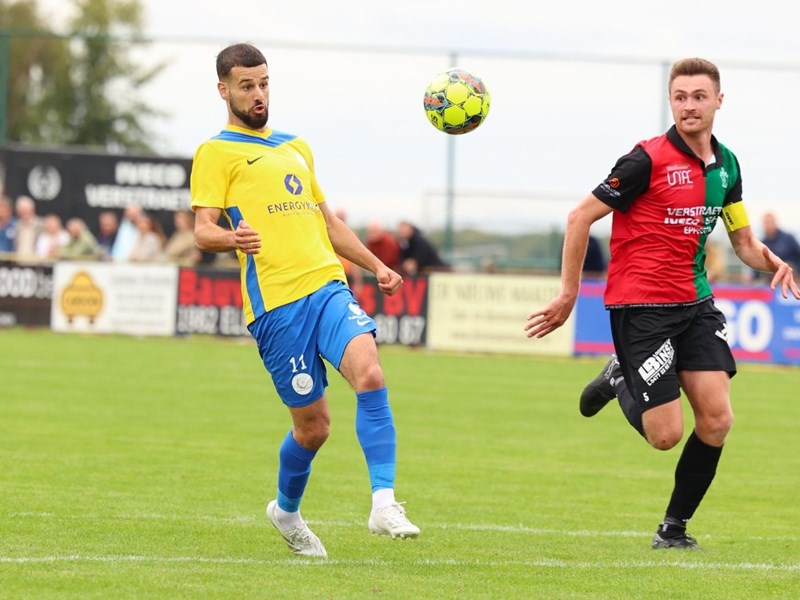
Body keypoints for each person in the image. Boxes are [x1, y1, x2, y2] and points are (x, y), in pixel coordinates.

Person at [524, 58, 800, 550]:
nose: (689, 106)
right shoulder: (645, 160)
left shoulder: (727, 165)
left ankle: (673, 529)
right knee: (665, 436)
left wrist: (773, 261)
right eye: (680, 97)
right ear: (670, 102)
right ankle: (620, 376)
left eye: (699, 96)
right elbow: (579, 217)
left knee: (717, 420)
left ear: (718, 101)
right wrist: (568, 294)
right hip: (642, 307)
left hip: (696, 303)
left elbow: (742, 242)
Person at [190, 43, 419, 559]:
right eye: (247, 86)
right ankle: (287, 511)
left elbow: (328, 223)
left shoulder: (295, 146)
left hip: (327, 285)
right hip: (276, 306)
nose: (259, 94)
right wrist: (233, 239)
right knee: (313, 429)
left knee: (371, 373)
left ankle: (383, 502)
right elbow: (203, 231)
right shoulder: (215, 152)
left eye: (264, 83)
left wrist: (377, 266)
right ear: (224, 90)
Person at [749, 212, 800, 282]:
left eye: (770, 222)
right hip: (771, 280)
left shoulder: (788, 238)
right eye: (766, 223)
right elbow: (757, 266)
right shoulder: (762, 243)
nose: (769, 225)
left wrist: (796, 270)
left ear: (775, 223)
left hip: (792, 277)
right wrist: (753, 277)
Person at [334, 208, 364, 298]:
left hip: (347, 275)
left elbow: (356, 261)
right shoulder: (326, 233)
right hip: (333, 275)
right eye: (339, 218)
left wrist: (358, 282)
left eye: (342, 218)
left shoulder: (352, 235)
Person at [13, 195, 43, 260]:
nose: (24, 212)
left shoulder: (41, 225)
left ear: (32, 210)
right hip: (19, 262)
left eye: (26, 210)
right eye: (22, 210)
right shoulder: (16, 226)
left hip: (36, 262)